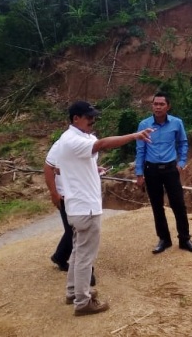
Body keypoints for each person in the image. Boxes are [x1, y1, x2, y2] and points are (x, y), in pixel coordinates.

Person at [57, 100, 153, 316]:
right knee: (84, 255)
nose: (93, 120)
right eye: (89, 117)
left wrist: (93, 167)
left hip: (77, 206)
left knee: (77, 250)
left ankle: (73, 291)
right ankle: (83, 302)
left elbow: (80, 160)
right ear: (76, 119)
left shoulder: (70, 138)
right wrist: (134, 135)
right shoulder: (74, 139)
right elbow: (101, 145)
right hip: (85, 207)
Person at [135, 92, 192, 255]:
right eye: (155, 104)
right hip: (151, 171)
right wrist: (139, 174)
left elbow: (183, 143)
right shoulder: (144, 125)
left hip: (171, 170)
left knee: (179, 204)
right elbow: (140, 149)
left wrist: (181, 162)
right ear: (152, 105)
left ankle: (185, 239)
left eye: (161, 104)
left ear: (168, 106)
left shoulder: (177, 123)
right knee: (157, 206)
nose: (157, 107)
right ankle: (164, 239)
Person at [43, 139, 97, 286]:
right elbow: (49, 168)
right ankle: (86, 273)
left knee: (72, 230)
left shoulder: (87, 141)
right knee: (78, 232)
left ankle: (60, 256)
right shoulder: (63, 144)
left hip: (81, 193)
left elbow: (78, 167)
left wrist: (95, 170)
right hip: (67, 195)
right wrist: (54, 193)